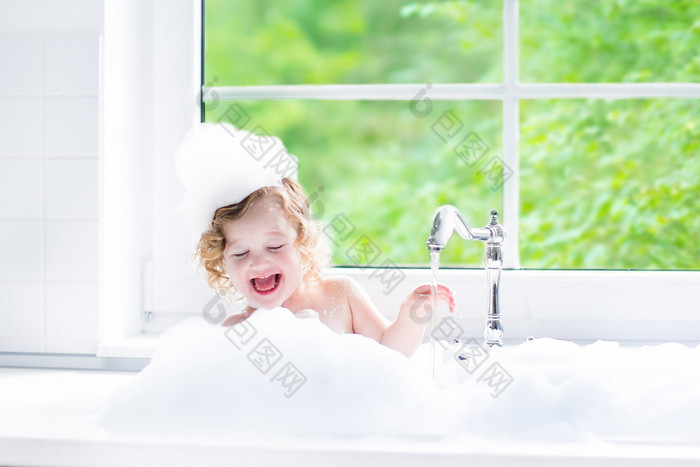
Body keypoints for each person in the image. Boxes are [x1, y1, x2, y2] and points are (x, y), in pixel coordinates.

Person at [177, 123, 455, 357]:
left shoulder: (340, 295)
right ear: (221, 261)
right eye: (240, 253)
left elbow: (390, 352)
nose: (259, 261)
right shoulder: (238, 330)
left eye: (274, 246)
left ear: (302, 243)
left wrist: (412, 313)